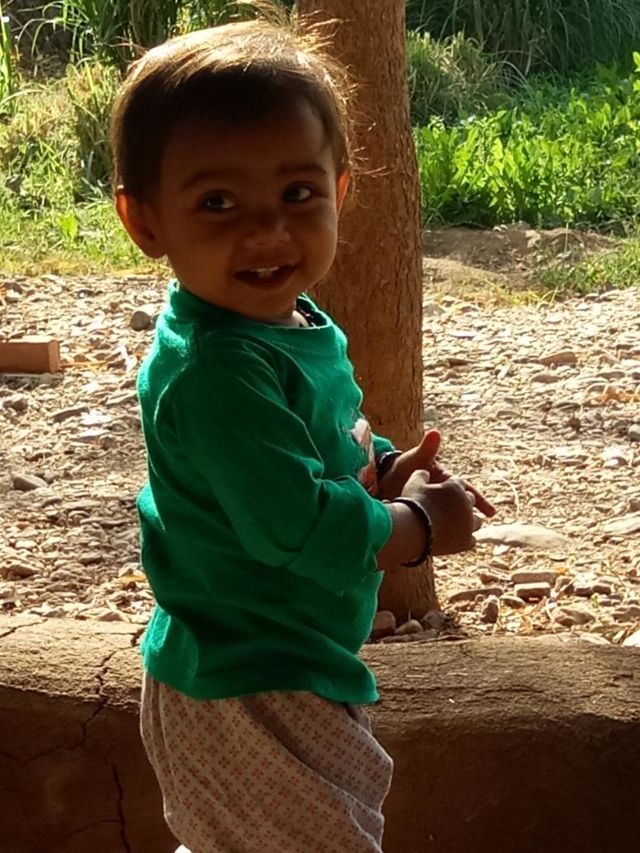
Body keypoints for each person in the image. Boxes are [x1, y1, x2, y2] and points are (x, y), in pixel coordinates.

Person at [110, 9, 494, 853]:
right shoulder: (217, 372)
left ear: (341, 191)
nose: (267, 230)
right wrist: (419, 527)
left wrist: (384, 468)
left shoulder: (290, 325)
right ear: (145, 222)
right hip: (248, 682)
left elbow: (318, 449)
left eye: (297, 193)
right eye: (217, 201)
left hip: (281, 661)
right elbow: (296, 525)